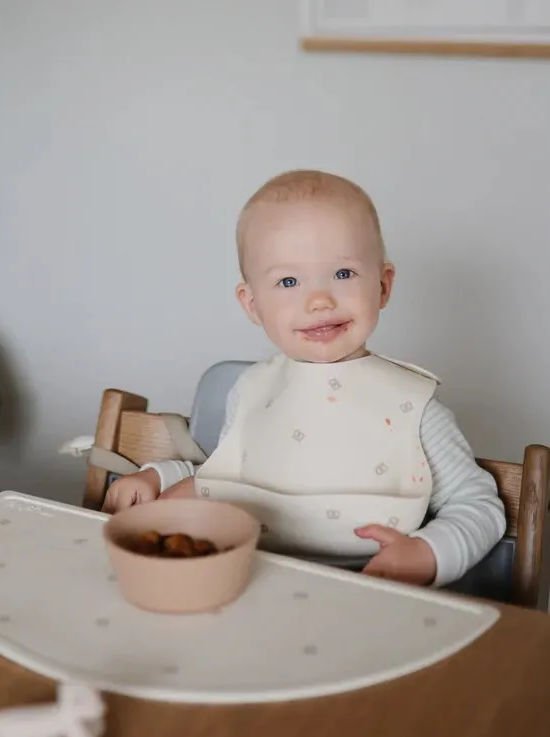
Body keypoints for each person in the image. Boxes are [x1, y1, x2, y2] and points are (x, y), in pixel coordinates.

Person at [105, 170, 505, 587]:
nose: (319, 300)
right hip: (247, 582)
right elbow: (230, 474)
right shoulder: (252, 391)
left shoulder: (414, 408)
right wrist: (158, 477)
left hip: (365, 592)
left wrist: (429, 553)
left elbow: (478, 505)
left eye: (344, 274)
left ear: (383, 286)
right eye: (289, 281)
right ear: (253, 304)